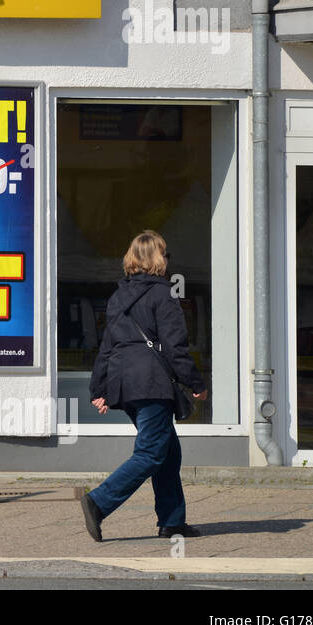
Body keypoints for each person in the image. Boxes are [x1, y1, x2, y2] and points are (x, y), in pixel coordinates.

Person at [80, 230, 208, 541]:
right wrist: (195, 382)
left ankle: (173, 520)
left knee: (168, 452)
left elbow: (108, 346)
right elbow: (175, 346)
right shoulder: (162, 294)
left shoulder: (118, 296)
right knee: (151, 452)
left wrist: (99, 389)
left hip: (127, 382)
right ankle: (98, 501)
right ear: (155, 259)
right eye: (165, 254)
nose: (167, 260)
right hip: (151, 382)